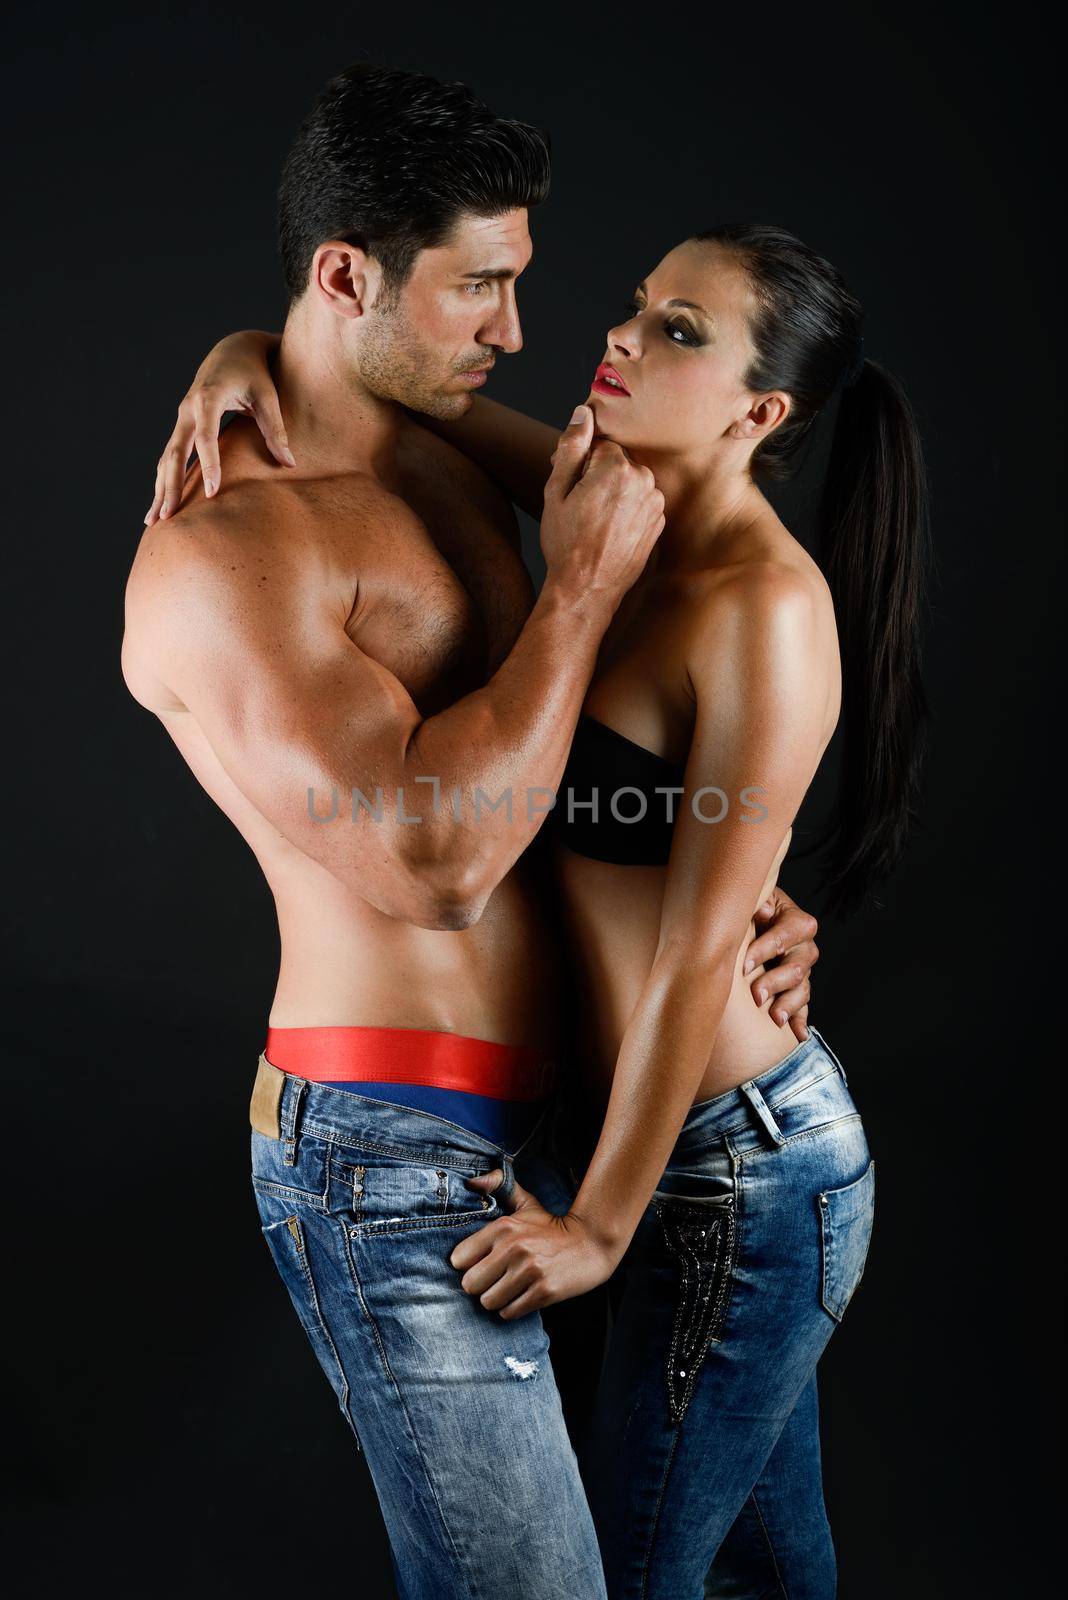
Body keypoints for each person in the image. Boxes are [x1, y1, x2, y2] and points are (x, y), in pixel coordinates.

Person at [124, 63, 820, 1600]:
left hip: (572, 1136)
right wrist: (567, 593)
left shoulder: (430, 443)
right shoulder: (224, 556)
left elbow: (677, 647)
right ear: (348, 275)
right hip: (394, 1159)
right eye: (480, 290)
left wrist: (748, 892)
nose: (519, 332)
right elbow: (438, 862)